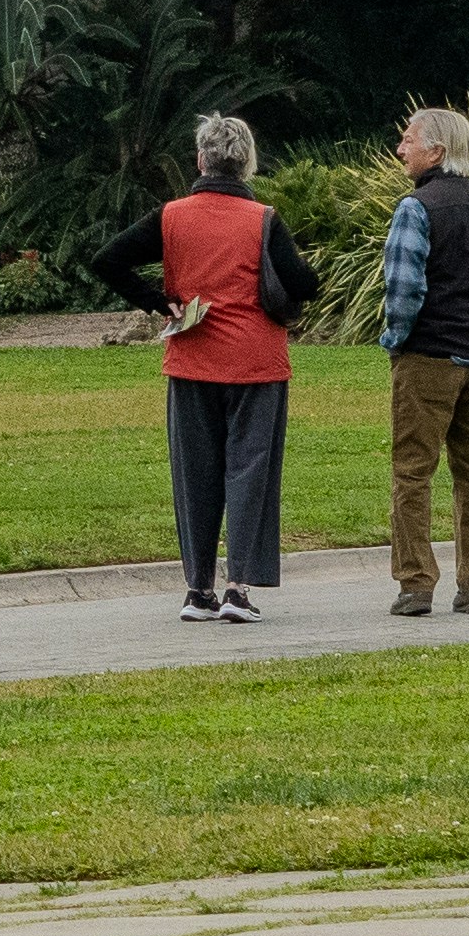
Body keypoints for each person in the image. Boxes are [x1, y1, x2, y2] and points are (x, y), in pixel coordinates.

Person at [97, 112, 312, 621]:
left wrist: (157, 300)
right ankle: (238, 588)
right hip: (257, 363)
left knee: (194, 475)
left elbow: (107, 259)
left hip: (191, 358)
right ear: (247, 164)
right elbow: (305, 283)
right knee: (250, 471)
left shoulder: (171, 216)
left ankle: (197, 590)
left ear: (201, 159)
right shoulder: (263, 218)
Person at [377, 104, 469, 615]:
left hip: (428, 355)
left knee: (413, 470)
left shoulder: (416, 208)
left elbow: (404, 288)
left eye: (408, 139)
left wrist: (396, 338)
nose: (400, 149)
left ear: (436, 150)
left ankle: (416, 584)